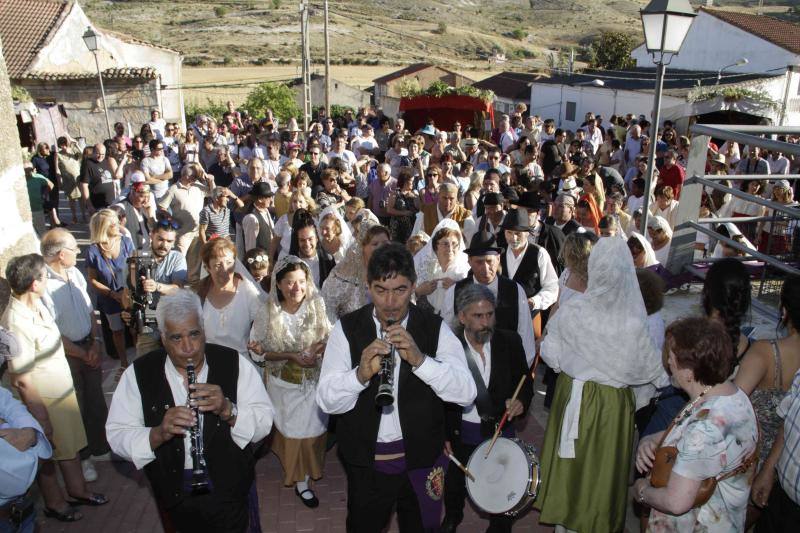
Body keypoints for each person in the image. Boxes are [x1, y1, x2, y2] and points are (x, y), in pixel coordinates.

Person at [316, 243, 476, 532]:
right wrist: (359, 376)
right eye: (380, 290)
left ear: (414, 286)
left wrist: (420, 360)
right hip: (368, 465)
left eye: (400, 290)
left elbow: (466, 392)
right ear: (368, 287)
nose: (390, 302)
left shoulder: (434, 327)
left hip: (422, 461)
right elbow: (326, 401)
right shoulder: (347, 328)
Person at [106, 289, 274, 532]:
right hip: (175, 491)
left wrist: (229, 410)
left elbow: (265, 421)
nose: (188, 347)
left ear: (204, 330)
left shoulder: (234, 363)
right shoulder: (139, 374)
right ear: (162, 338)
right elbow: (117, 434)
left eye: (194, 334)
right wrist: (158, 433)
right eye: (176, 338)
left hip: (229, 486)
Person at [534, 237, 663, 533]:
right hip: (611, 408)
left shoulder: (574, 310)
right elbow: (651, 372)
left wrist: (579, 365)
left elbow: (551, 354)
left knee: (571, 474)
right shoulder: (633, 321)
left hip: (573, 397)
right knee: (600, 477)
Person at [2, 254, 108, 523]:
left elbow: (55, 339)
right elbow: (22, 377)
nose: (47, 278)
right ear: (34, 283)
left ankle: (78, 491)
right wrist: (41, 418)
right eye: (44, 275)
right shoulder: (15, 321)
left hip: (59, 394)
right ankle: (56, 504)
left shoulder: (37, 305)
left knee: (69, 447)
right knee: (47, 454)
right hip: (41, 401)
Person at [634, 317, 759, 532]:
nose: (669, 363)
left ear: (689, 372)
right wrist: (652, 439)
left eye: (671, 357)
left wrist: (642, 491)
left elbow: (676, 502)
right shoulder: (731, 395)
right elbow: (703, 436)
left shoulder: (705, 428)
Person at [440, 284, 533, 533]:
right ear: (462, 317)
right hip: (462, 430)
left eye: (489, 314)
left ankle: (500, 526)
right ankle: (453, 516)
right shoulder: (448, 348)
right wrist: (442, 433)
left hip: (500, 429)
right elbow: (435, 397)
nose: (485, 322)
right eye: (478, 316)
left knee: (501, 482)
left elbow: (525, 381)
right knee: (456, 481)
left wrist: (521, 401)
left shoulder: (510, 341)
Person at [248, 257, 332, 508]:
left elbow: (329, 337)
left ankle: (305, 474)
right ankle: (300, 481)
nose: (296, 288)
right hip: (283, 386)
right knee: (294, 433)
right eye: (290, 283)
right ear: (279, 285)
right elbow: (258, 352)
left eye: (301, 282)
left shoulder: (317, 305)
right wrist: (290, 356)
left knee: (314, 431)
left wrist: (317, 349)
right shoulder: (268, 311)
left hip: (313, 383)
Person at [40, 229, 109, 483]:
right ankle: (85, 457)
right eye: (74, 249)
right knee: (75, 408)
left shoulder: (75, 274)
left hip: (88, 346)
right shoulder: (44, 285)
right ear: (60, 254)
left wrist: (95, 342)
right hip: (67, 355)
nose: (79, 252)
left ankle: (101, 448)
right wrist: (80, 352)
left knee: (95, 401)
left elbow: (90, 311)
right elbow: (52, 330)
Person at [736, 276, 800, 529]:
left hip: (752, 457)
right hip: (778, 464)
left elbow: (734, 401)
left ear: (784, 310)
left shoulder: (765, 351)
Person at [441, 232, 538, 367]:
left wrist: (519, 372)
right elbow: (446, 334)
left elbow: (526, 337)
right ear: (469, 261)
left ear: (498, 259)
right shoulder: (455, 292)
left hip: (506, 370)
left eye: (489, 261)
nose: (485, 268)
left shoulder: (515, 291)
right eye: (479, 262)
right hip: (467, 370)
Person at [127, 220, 189, 357]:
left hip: (171, 323)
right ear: (151, 236)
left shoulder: (177, 258)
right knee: (145, 365)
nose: (164, 245)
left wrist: (156, 286)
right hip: (148, 325)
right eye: (160, 239)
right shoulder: (137, 257)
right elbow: (128, 291)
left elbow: (178, 288)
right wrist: (127, 310)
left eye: (169, 241)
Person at [85, 209, 135, 377]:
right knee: (117, 331)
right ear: (102, 227)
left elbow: (135, 267)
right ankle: (124, 363)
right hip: (109, 298)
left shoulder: (127, 242)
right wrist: (113, 295)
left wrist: (127, 293)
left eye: (116, 221)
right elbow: (92, 280)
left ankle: (139, 360)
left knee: (135, 328)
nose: (117, 225)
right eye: (111, 223)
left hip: (129, 294)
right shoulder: (93, 250)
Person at [195, 238, 263, 359]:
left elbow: (262, 322)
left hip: (241, 363)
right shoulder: (200, 294)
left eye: (229, 263)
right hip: (209, 362)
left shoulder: (247, 290)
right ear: (207, 268)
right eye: (217, 265)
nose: (224, 270)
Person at [320, 210, 390, 324]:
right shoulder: (344, 275)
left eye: (385, 243)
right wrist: (341, 332)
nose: (381, 248)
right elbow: (327, 307)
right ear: (363, 247)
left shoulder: (394, 273)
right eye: (375, 244)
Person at [499, 208, 559, 336]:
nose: (513, 238)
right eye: (509, 232)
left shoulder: (539, 254)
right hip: (502, 320)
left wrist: (534, 301)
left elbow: (553, 287)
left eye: (518, 233)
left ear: (527, 233)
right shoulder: (499, 254)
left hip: (530, 320)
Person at [413, 219, 470, 315]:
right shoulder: (426, 271)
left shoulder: (464, 272)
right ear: (435, 247)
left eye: (454, 244)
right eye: (445, 244)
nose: (450, 249)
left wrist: (457, 289)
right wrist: (418, 292)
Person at [279, 210, 335, 289]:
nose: (307, 244)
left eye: (310, 239)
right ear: (297, 241)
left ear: (317, 238)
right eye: (302, 240)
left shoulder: (328, 261)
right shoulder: (288, 264)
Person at [410, 183, 476, 244]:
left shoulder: (465, 216)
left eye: (451, 199)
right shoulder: (426, 211)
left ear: (456, 199)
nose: (447, 202)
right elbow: (414, 238)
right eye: (444, 198)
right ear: (438, 196)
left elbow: (472, 244)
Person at [240, 182, 276, 254]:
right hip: (260, 261)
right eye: (268, 197)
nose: (271, 200)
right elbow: (250, 247)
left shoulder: (265, 211)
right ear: (260, 199)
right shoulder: (251, 218)